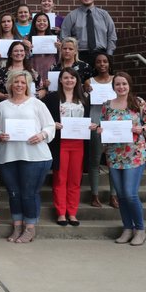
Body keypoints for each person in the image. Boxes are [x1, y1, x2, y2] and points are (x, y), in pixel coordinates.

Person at [0, 70, 55, 243]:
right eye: (16, 82)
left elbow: (50, 126)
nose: (19, 85)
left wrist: (42, 135)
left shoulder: (37, 104)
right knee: (14, 193)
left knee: (29, 193)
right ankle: (17, 225)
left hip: (35, 156)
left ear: (27, 85)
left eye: (22, 82)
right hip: (8, 156)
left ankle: (29, 227)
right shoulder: (2, 106)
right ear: (10, 85)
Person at [98, 72, 146, 246]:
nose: (121, 87)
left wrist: (142, 128)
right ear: (113, 87)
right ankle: (127, 228)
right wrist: (101, 130)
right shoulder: (107, 105)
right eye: (117, 84)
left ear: (129, 85)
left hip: (135, 154)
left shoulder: (138, 103)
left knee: (130, 194)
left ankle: (140, 229)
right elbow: (103, 124)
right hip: (114, 155)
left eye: (124, 84)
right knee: (121, 196)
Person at [43, 68, 96, 227]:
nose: (69, 81)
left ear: (77, 80)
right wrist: (53, 124)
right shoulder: (52, 98)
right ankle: (61, 212)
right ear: (60, 80)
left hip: (79, 143)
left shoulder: (85, 99)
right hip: (61, 143)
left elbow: (87, 119)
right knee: (60, 178)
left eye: (72, 78)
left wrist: (91, 126)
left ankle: (72, 213)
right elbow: (45, 120)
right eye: (66, 78)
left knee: (75, 179)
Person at [85, 52, 118, 208]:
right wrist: (86, 91)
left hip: (113, 123)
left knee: (113, 161)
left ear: (109, 63)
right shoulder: (89, 82)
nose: (102, 64)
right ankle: (95, 195)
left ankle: (113, 196)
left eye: (105, 61)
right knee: (95, 161)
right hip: (95, 121)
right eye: (99, 62)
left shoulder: (117, 81)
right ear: (95, 64)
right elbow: (84, 101)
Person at [60, 0, 117, 66]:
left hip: (101, 55)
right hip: (80, 55)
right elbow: (64, 37)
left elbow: (112, 36)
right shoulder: (71, 16)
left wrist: (109, 55)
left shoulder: (104, 15)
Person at [0, 41, 43, 105]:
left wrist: (37, 95)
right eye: (16, 51)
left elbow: (42, 89)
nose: (19, 53)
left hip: (29, 107)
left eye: (21, 51)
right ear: (10, 54)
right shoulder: (1, 72)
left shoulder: (32, 72)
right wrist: (4, 96)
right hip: (7, 106)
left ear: (25, 53)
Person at [25, 12, 59, 82]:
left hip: (50, 69)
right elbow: (24, 57)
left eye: (44, 20)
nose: (42, 23)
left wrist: (60, 48)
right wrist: (26, 48)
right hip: (33, 68)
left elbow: (60, 58)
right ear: (34, 23)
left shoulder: (55, 39)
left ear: (48, 23)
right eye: (39, 21)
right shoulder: (27, 39)